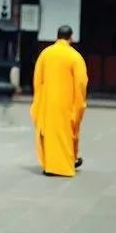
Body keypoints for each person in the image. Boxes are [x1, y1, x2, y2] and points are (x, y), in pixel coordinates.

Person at [30, 25, 88, 177]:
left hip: (48, 103)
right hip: (66, 104)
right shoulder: (74, 56)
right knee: (66, 135)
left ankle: (50, 165)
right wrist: (79, 104)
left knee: (49, 134)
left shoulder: (45, 54)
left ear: (57, 36)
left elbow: (37, 80)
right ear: (71, 38)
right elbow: (81, 83)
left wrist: (39, 100)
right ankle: (65, 164)